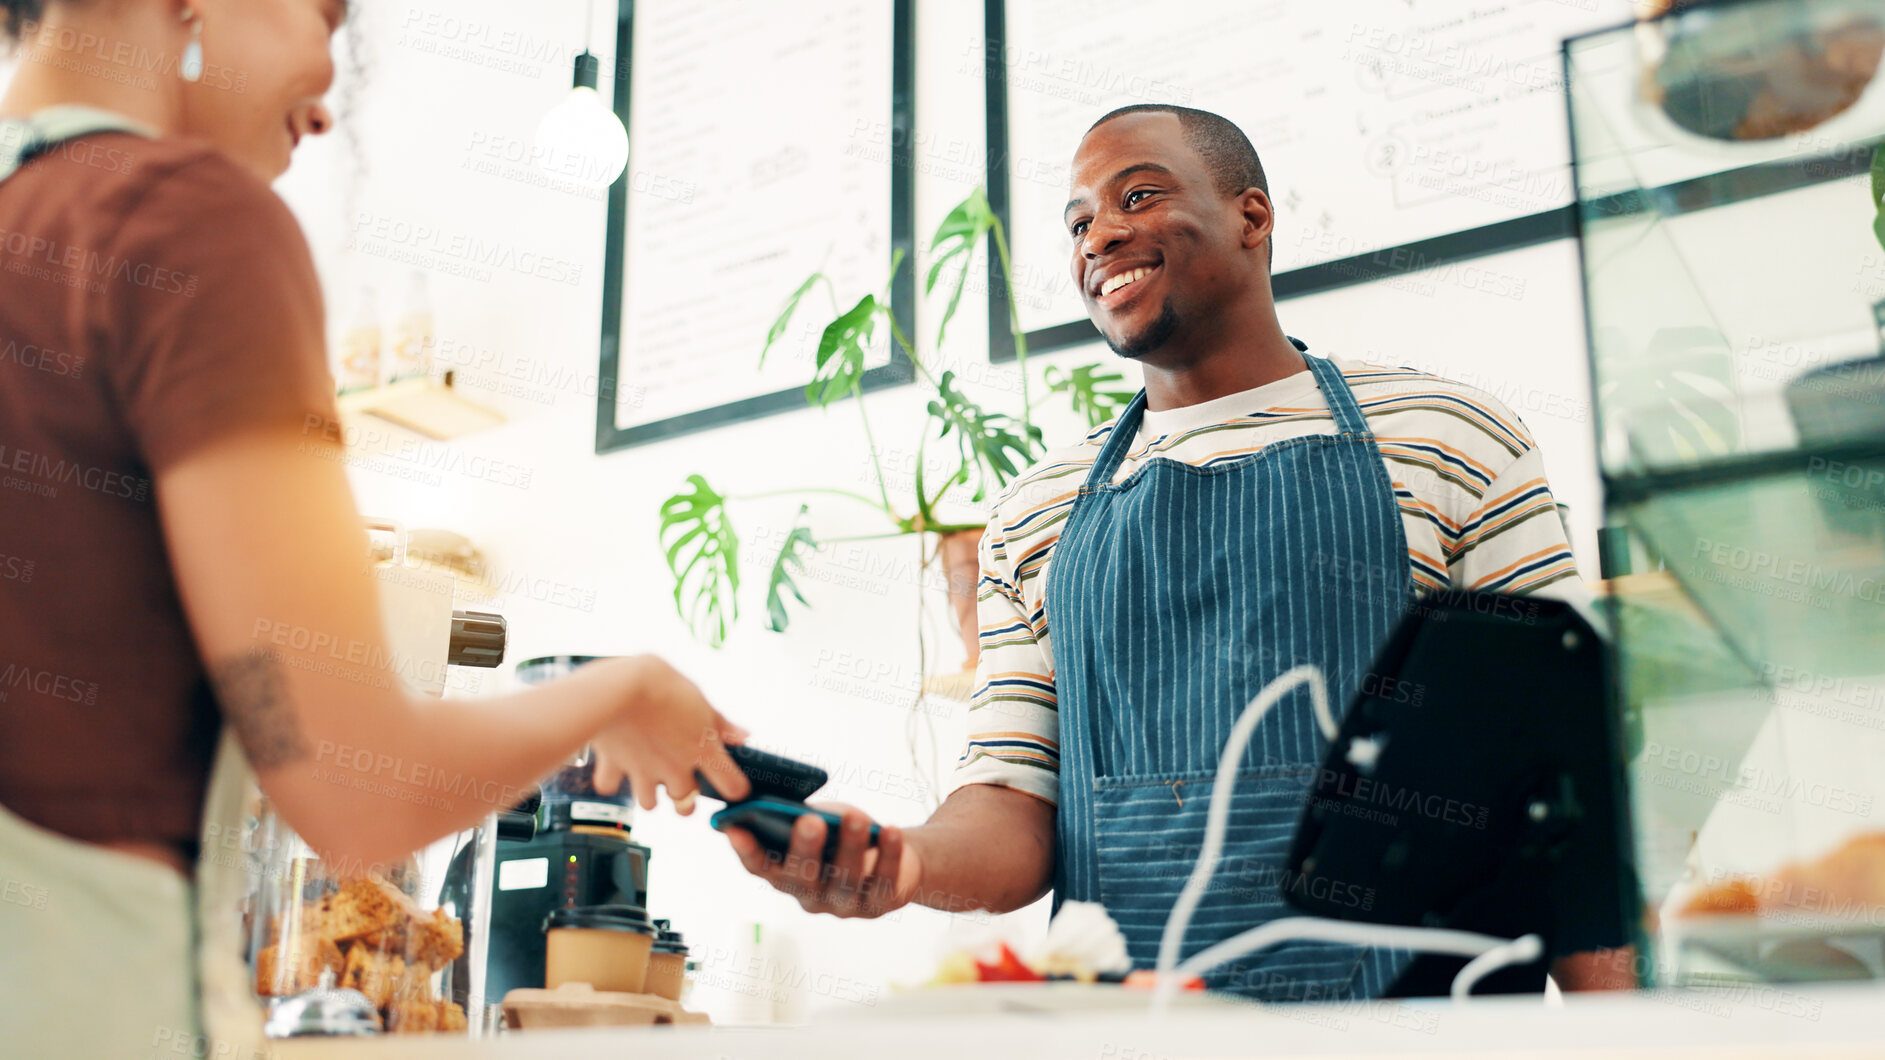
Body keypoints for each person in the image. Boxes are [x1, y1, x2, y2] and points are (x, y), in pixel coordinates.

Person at [728, 105, 1628, 998]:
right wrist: (903, 864)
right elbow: (1015, 803)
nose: (1100, 236)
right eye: (1078, 222)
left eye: (1139, 195)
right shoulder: (1033, 513)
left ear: (1252, 217)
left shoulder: (1450, 440)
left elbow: (1565, 795)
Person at [0, 1, 748, 1053]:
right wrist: (620, 687)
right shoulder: (178, 223)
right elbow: (356, 782)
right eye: (329, 17)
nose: (327, 105)